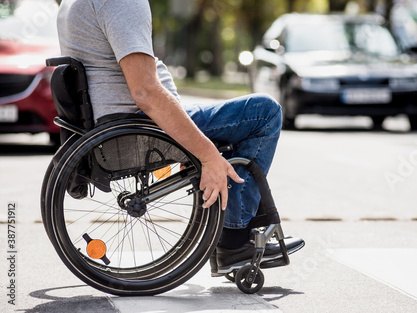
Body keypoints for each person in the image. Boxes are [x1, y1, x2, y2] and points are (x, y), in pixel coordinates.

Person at [56, 0, 303, 274]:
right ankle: (234, 240)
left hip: (113, 132)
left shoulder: (72, 2)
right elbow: (145, 92)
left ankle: (234, 229)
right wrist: (207, 155)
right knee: (264, 112)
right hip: (139, 130)